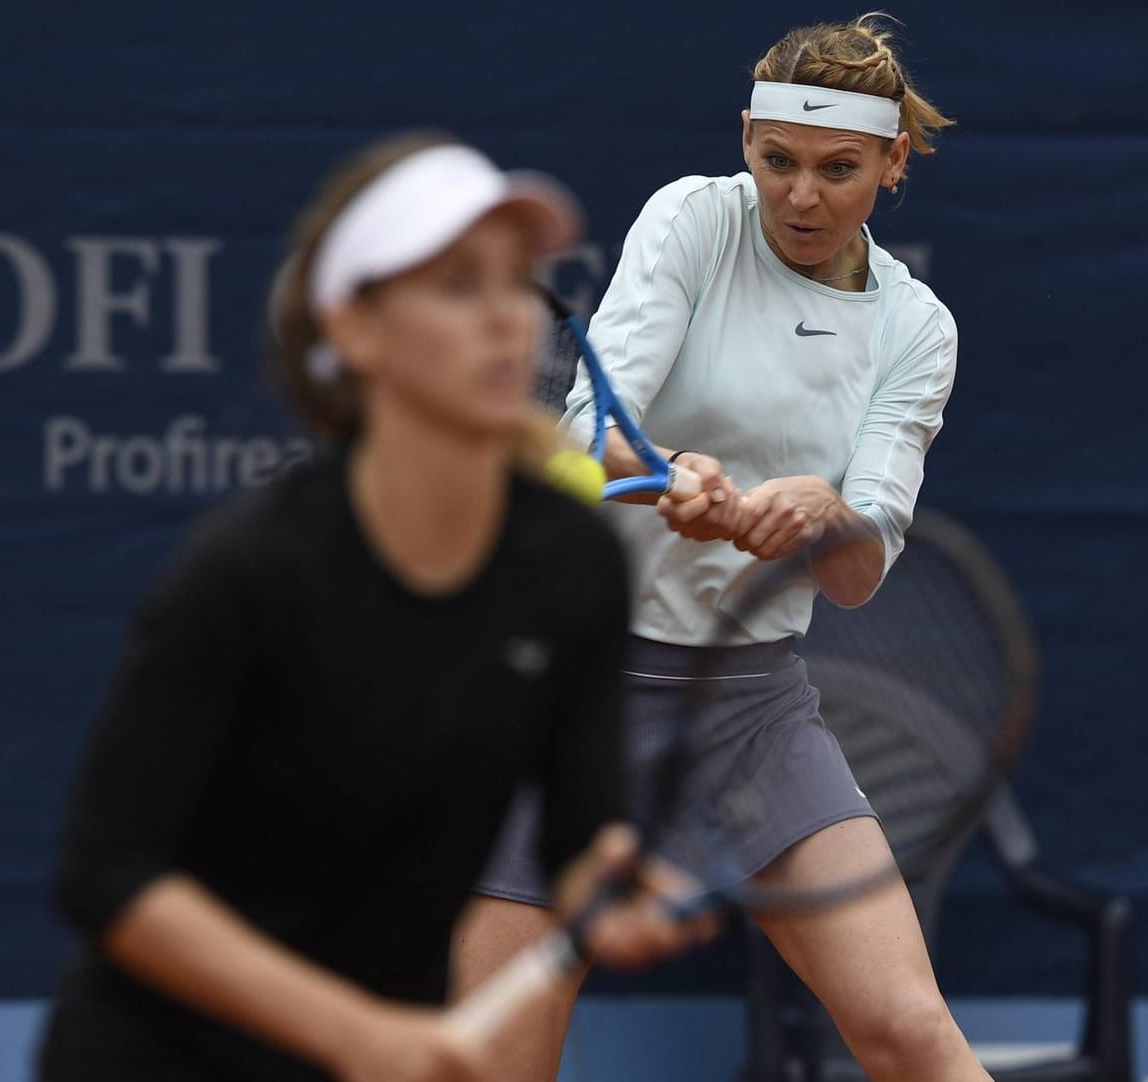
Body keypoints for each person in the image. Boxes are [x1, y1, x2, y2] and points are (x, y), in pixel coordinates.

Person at [38, 133, 704, 1082]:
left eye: (517, 281)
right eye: (456, 284)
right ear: (354, 331)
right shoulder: (247, 575)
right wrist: (350, 1031)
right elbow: (105, 875)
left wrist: (609, 880)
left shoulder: (572, 566)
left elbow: (573, 832)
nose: (506, 319)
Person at [454, 16, 993, 1082]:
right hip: (568, 702)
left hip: (752, 712)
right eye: (776, 159)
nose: (801, 196)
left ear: (892, 164)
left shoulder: (917, 328)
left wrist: (819, 513)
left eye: (839, 169)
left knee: (910, 1032)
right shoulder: (694, 219)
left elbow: (857, 569)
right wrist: (673, 472)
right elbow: (577, 439)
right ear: (745, 136)